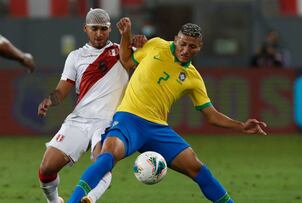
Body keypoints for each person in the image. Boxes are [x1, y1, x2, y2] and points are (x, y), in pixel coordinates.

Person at [68, 17, 267, 203]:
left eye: (192, 46)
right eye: (182, 43)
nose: (185, 49)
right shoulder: (156, 45)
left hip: (157, 129)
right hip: (129, 119)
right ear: (175, 39)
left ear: (199, 48)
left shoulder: (193, 78)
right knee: (108, 156)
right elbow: (127, 61)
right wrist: (126, 35)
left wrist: (241, 126)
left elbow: (211, 115)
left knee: (199, 170)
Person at [37, 10, 146, 203]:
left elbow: (140, 60)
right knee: (46, 168)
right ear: (85, 29)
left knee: (102, 162)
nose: (99, 33)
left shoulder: (121, 51)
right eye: (94, 29)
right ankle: (54, 201)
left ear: (110, 29)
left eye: (103, 29)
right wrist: (49, 100)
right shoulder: (76, 57)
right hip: (80, 120)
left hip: (109, 121)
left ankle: (90, 199)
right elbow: (62, 91)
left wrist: (141, 42)